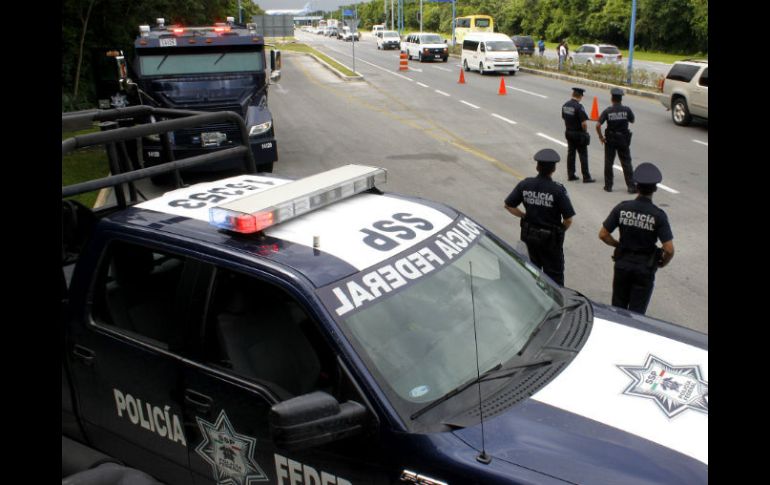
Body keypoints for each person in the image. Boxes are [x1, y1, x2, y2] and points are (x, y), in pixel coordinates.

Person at [598, 163, 675, 315]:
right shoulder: (658, 215)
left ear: (637, 187)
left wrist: (618, 244)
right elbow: (669, 249)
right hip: (644, 269)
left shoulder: (622, 208)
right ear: (655, 189)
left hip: (622, 264)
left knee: (618, 310)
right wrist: (662, 263)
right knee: (637, 314)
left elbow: (603, 234)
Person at [505, 148, 575, 286]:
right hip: (550, 242)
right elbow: (568, 219)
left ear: (537, 167)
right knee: (554, 279)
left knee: (531, 273)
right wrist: (559, 230)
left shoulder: (525, 184)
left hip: (529, 237)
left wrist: (524, 215)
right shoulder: (558, 190)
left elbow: (509, 205)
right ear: (553, 169)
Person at [595, 88, 636, 193]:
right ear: (621, 99)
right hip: (623, 139)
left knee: (609, 162)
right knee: (626, 162)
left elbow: (598, 125)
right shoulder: (627, 110)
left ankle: (608, 186)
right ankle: (631, 187)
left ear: (612, 99)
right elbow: (633, 120)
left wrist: (601, 137)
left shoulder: (608, 111)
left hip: (610, 139)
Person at [561, 87, 596, 183]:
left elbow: (564, 118)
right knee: (583, 155)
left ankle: (571, 175)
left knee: (571, 154)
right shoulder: (579, 107)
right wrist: (584, 132)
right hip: (578, 133)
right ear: (580, 96)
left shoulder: (565, 105)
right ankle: (586, 177)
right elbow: (584, 123)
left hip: (568, 132)